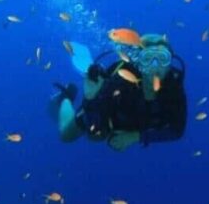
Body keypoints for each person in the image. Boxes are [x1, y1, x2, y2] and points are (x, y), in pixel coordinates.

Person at [50, 34, 187, 151]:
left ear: (170, 62)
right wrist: (90, 97)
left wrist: (136, 137)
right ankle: (66, 97)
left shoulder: (174, 86)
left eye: (162, 58)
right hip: (109, 116)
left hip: (133, 123)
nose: (155, 66)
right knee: (70, 136)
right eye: (147, 58)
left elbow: (177, 130)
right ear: (138, 60)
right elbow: (94, 120)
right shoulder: (122, 77)